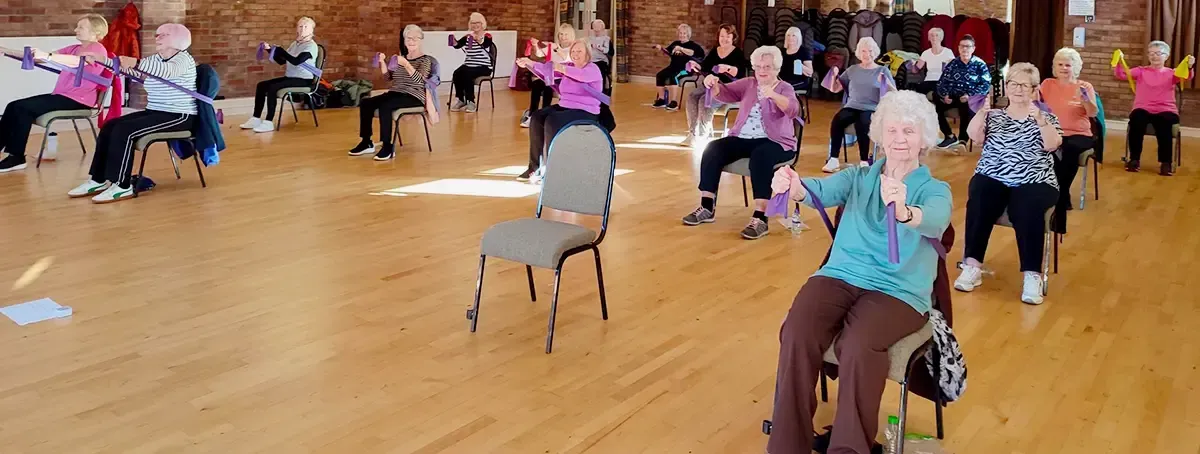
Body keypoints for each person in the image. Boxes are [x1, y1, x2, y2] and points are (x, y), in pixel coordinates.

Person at [766, 90, 952, 454]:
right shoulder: (858, 177)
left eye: (910, 132)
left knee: (858, 345)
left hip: (898, 291)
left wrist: (904, 212)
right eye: (893, 130)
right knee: (797, 331)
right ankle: (787, 444)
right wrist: (793, 185)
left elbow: (936, 219)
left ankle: (849, 448)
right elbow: (819, 189)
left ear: (924, 138)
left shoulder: (934, 189)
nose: (900, 139)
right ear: (880, 135)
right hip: (840, 275)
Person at [954, 63, 1063, 305]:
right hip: (994, 176)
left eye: (1024, 85)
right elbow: (974, 136)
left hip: (1035, 179)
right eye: (1013, 83)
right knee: (980, 193)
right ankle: (972, 265)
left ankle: (1032, 275)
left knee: (1026, 206)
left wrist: (1041, 121)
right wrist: (982, 112)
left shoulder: (1046, 117)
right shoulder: (994, 116)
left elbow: (1052, 144)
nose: (1018, 89)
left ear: (1034, 90)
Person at [68, 23, 198, 204]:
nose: (157, 38)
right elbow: (132, 70)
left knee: (125, 131)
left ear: (178, 39)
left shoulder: (183, 59)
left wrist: (136, 62)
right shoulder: (156, 59)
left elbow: (167, 72)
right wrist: (100, 59)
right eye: (157, 34)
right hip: (156, 111)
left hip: (179, 116)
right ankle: (99, 179)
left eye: (163, 35)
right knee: (110, 125)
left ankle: (122, 186)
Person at [680, 46, 801, 240]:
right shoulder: (749, 84)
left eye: (767, 67)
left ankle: (761, 218)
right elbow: (725, 94)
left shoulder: (785, 88)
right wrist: (714, 83)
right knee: (713, 148)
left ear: (776, 68)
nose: (762, 71)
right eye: (759, 66)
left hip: (777, 142)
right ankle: (707, 206)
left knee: (761, 156)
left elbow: (793, 110)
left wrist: (773, 95)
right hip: (743, 138)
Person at [0, 14, 109, 173]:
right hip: (63, 96)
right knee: (13, 106)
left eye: (81, 27)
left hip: (79, 100)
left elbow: (80, 61)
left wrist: (48, 56)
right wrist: (5, 50)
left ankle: (16, 157)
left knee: (22, 108)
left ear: (95, 32)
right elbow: (38, 58)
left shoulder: (97, 49)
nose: (75, 30)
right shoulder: (73, 48)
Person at [515, 40, 605, 181]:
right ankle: (535, 167)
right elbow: (547, 69)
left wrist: (561, 69)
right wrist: (530, 63)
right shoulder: (569, 66)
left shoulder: (592, 68)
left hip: (586, 111)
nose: (575, 54)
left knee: (552, 120)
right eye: (573, 51)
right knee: (538, 116)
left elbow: (579, 76)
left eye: (579, 51)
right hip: (566, 106)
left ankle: (554, 169)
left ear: (587, 53)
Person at [347, 25, 437, 161]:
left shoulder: (426, 60)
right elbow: (388, 79)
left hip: (415, 96)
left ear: (421, 40)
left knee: (386, 106)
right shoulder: (400, 58)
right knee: (366, 102)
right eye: (408, 38)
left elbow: (422, 83)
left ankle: (388, 147)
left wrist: (407, 65)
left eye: (415, 38)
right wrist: (382, 63)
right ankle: (366, 142)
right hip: (396, 92)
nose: (411, 41)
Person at [1040, 47, 1097, 233]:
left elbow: (1093, 113)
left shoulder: (1085, 86)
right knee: (1051, 149)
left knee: (1068, 149)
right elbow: (1036, 106)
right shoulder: (1047, 84)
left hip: (1079, 134)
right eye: (1060, 64)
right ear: (1055, 67)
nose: (1064, 68)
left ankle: (1060, 195)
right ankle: (1058, 195)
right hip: (1053, 132)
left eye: (1068, 65)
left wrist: (1086, 101)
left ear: (1076, 67)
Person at [1116, 40, 1195, 175]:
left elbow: (1187, 76)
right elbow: (1122, 74)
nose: (1154, 56)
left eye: (1158, 53)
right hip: (1143, 108)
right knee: (1136, 120)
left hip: (1166, 109)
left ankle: (1166, 163)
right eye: (1151, 53)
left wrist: (1189, 66)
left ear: (1167, 56)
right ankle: (1134, 159)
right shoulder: (1141, 71)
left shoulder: (1172, 73)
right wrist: (1118, 61)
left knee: (1165, 126)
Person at [822, 37, 895, 173]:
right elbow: (835, 88)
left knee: (863, 123)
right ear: (859, 53)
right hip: (852, 105)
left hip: (871, 108)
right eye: (863, 51)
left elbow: (894, 93)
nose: (867, 54)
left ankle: (864, 160)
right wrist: (834, 76)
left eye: (869, 51)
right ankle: (833, 159)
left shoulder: (882, 70)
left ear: (875, 52)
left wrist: (885, 82)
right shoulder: (852, 69)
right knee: (838, 120)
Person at [239, 17, 319, 133]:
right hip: (291, 78)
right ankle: (255, 118)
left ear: (311, 30)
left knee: (272, 88)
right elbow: (282, 61)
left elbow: (296, 61)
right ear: (296, 29)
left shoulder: (311, 46)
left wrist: (282, 51)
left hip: (304, 80)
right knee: (261, 85)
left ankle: (268, 122)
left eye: (306, 26)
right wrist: (270, 50)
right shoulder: (295, 44)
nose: (303, 29)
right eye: (300, 26)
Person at [684, 24, 748, 143]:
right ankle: (693, 133)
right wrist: (695, 65)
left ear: (733, 37)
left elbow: (740, 74)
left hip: (728, 89)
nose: (724, 39)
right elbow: (705, 67)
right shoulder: (715, 50)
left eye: (728, 36)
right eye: (722, 36)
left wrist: (727, 68)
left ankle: (703, 135)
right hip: (711, 85)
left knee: (705, 100)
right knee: (692, 96)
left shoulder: (738, 53)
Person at [932, 34, 991, 148]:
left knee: (965, 107)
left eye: (968, 46)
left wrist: (970, 96)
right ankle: (949, 136)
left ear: (973, 48)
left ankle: (962, 140)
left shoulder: (980, 65)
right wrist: (945, 95)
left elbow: (986, 85)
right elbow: (941, 82)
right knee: (935, 106)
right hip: (953, 96)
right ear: (958, 48)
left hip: (971, 98)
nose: (965, 49)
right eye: (962, 46)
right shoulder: (953, 64)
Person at [521, 23, 576, 128]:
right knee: (537, 84)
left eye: (565, 35)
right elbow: (539, 54)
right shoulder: (553, 46)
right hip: (550, 76)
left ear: (571, 36)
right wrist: (535, 45)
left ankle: (544, 114)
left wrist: (556, 49)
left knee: (548, 86)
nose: (563, 37)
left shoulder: (573, 48)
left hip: (564, 78)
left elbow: (566, 58)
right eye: (561, 34)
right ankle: (532, 114)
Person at [652, 24, 705, 111]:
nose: (682, 35)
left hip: (686, 70)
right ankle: (662, 100)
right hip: (673, 67)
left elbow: (692, 53)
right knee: (660, 75)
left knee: (673, 76)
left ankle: (674, 102)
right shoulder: (675, 43)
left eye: (684, 33)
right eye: (680, 33)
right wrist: (661, 48)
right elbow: (668, 52)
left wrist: (681, 49)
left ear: (688, 34)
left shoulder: (693, 45)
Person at [450, 12, 493, 113]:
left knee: (467, 74)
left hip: (484, 66)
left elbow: (486, 44)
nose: (475, 25)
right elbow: (457, 45)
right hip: (469, 64)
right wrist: (454, 41)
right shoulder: (468, 37)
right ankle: (461, 99)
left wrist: (477, 39)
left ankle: (471, 102)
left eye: (477, 22)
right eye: (473, 23)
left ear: (482, 24)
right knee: (457, 73)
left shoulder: (487, 35)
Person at [913, 27, 952, 95]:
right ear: (929, 38)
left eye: (937, 35)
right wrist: (911, 64)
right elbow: (916, 70)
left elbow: (953, 69)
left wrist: (946, 68)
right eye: (932, 35)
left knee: (938, 92)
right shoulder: (926, 53)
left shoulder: (948, 52)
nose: (934, 38)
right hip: (928, 81)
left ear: (941, 38)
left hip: (942, 81)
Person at [589, 19, 612, 95]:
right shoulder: (590, 38)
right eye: (594, 26)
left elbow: (606, 51)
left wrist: (598, 47)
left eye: (597, 26)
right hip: (591, 60)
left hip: (601, 60)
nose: (595, 28)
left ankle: (601, 91)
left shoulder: (606, 39)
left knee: (600, 73)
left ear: (602, 27)